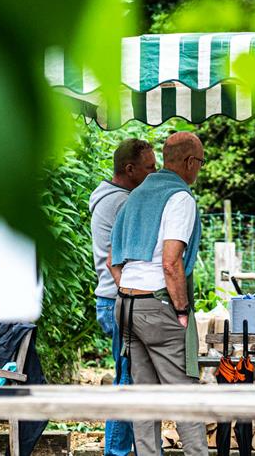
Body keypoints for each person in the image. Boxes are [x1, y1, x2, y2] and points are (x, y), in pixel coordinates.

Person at [109, 132, 207, 456]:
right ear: (191, 162)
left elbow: (113, 259)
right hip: (157, 304)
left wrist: (132, 290)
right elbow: (170, 261)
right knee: (185, 400)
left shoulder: (136, 194)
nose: (200, 169)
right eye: (201, 163)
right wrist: (180, 310)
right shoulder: (180, 197)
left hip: (125, 305)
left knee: (144, 400)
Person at [88, 138, 155, 456]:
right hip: (120, 300)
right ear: (130, 169)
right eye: (149, 168)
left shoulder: (109, 197)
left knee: (129, 379)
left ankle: (124, 450)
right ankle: (115, 453)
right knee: (128, 383)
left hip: (110, 299)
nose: (154, 173)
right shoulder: (122, 203)